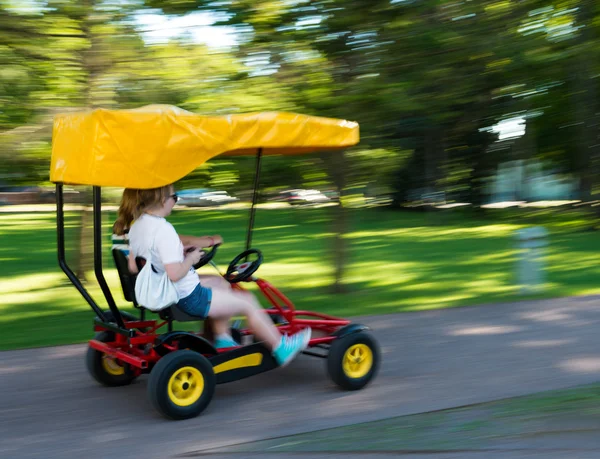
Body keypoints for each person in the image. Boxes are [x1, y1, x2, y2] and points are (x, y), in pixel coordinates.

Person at [113, 185, 311, 366]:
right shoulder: (163, 229)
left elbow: (136, 265)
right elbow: (174, 274)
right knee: (248, 301)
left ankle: (222, 337)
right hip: (187, 296)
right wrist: (190, 259)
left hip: (164, 289)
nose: (176, 201)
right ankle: (281, 348)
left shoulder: (139, 225)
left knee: (221, 282)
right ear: (161, 199)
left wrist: (178, 253)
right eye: (175, 197)